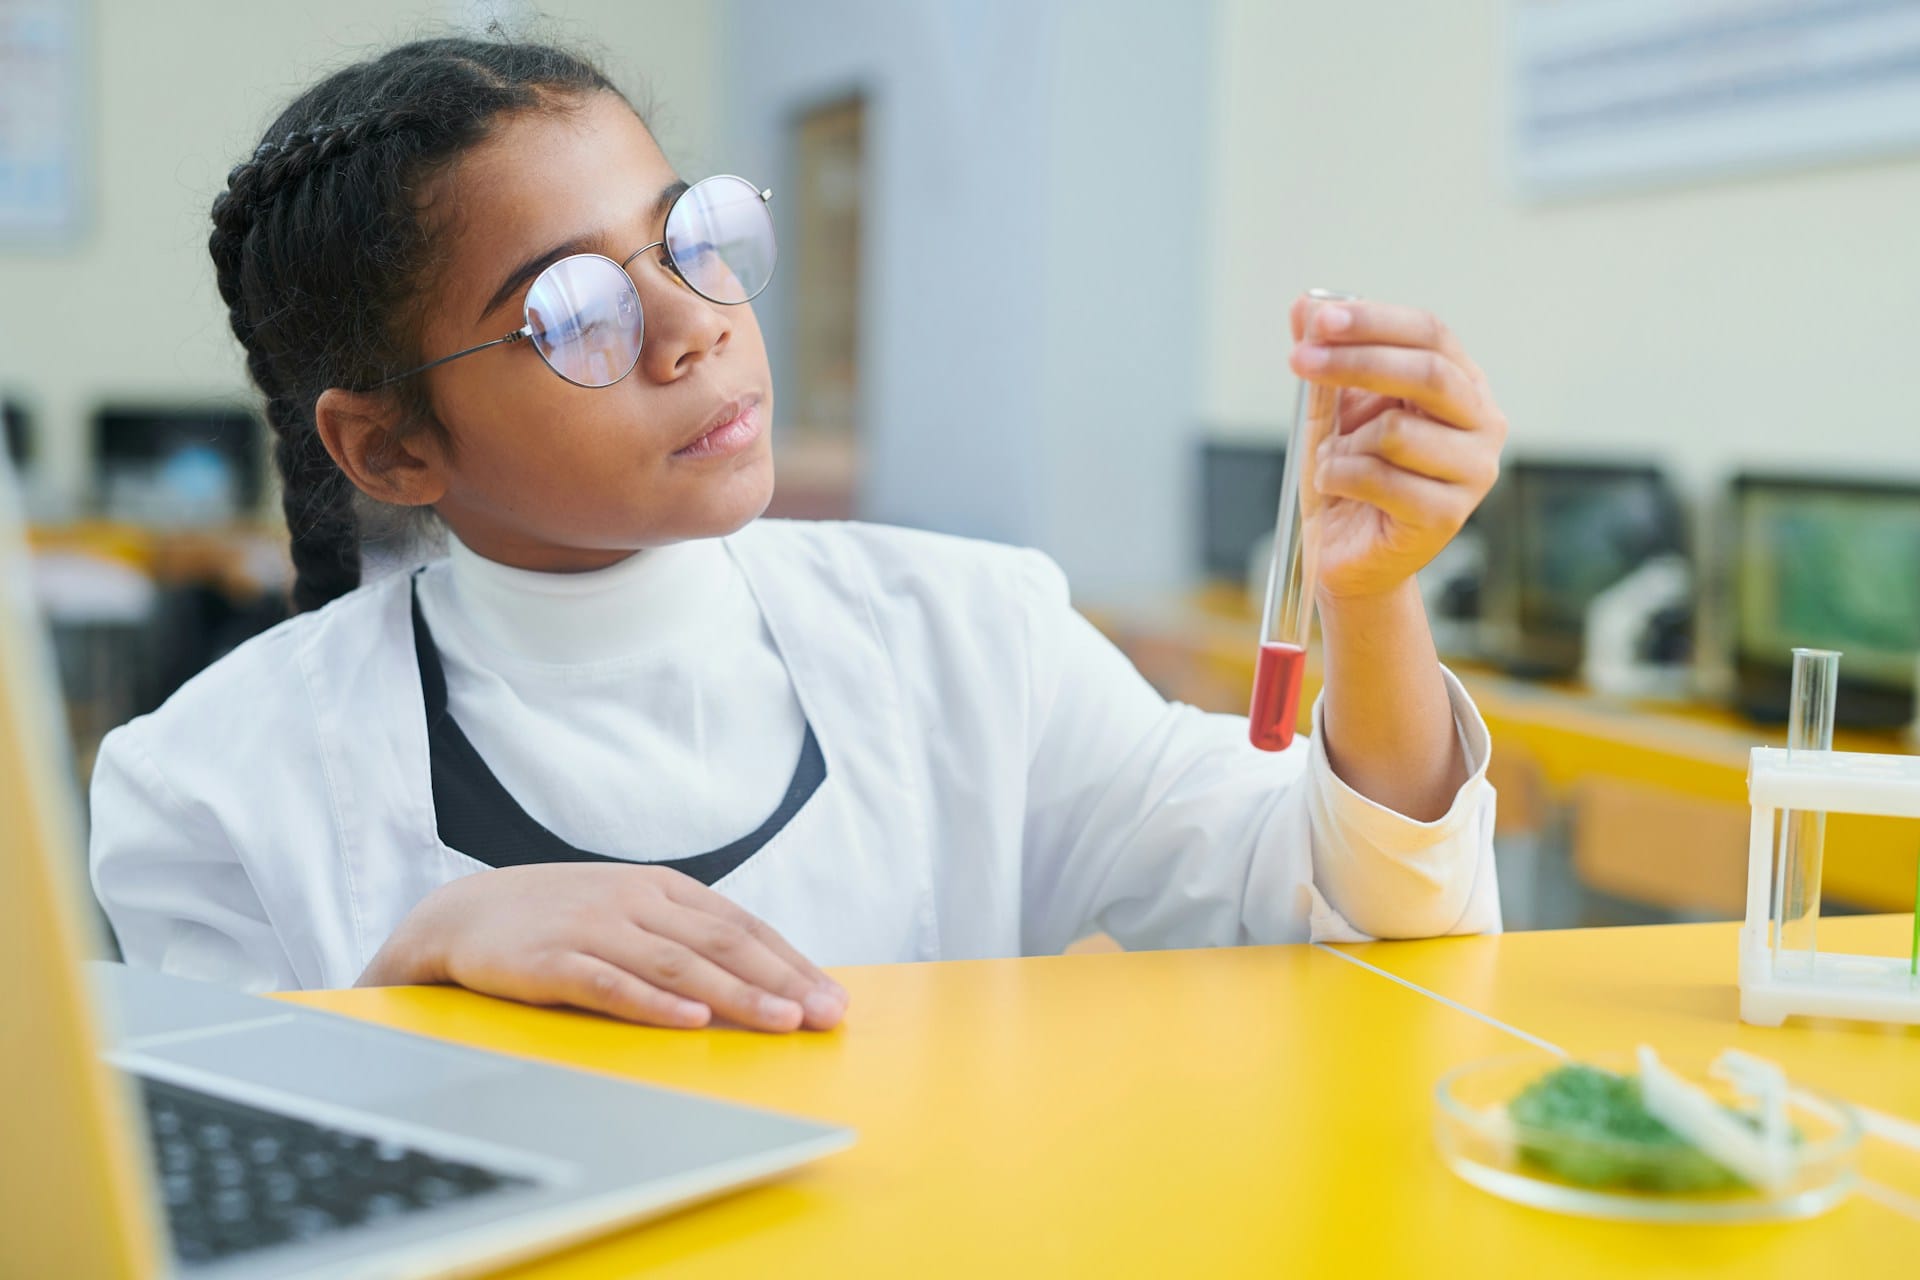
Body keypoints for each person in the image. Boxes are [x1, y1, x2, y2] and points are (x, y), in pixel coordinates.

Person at [90, 36, 1509, 1036]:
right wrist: (401, 991)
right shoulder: (209, 789)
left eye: (691, 237)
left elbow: (1351, 911)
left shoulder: (970, 637)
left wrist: (1374, 602)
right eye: (576, 313)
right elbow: (205, 1217)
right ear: (390, 446)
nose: (696, 323)